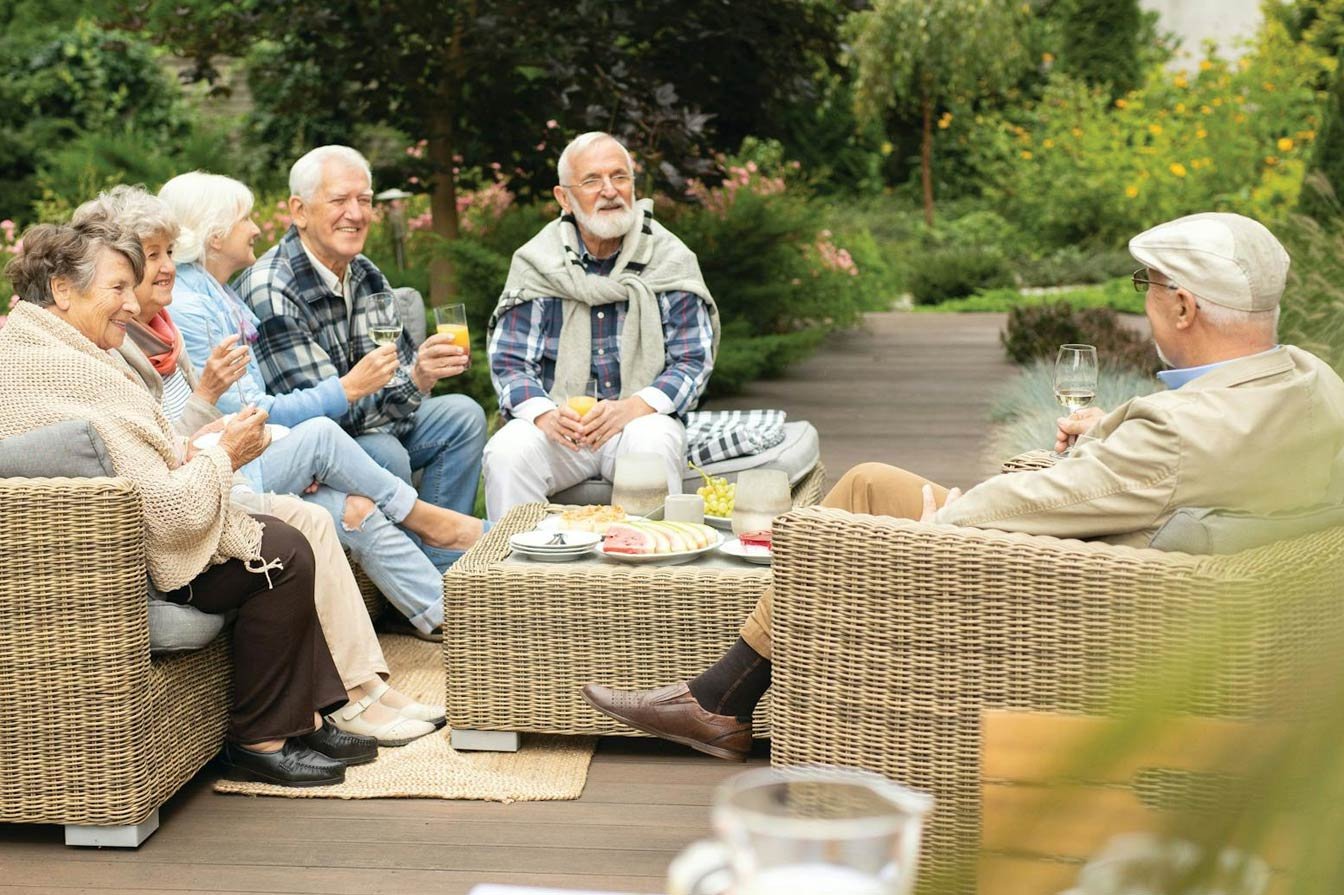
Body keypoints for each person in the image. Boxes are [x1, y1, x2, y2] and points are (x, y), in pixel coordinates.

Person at [582, 212, 1344, 760]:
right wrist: (1113, 429)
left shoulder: (1173, 435)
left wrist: (923, 531)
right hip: (1160, 570)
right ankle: (721, 697)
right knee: (871, 481)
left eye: (1147, 284)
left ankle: (720, 699)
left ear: (1183, 304)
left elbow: (1032, 505)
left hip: (1079, 594)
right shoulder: (1314, 385)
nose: (1143, 299)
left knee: (844, 520)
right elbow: (1201, 458)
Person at [0, 219, 377, 786]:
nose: (132, 304)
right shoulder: (56, 366)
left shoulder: (52, 350)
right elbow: (166, 515)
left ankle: (310, 712)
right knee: (281, 551)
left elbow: (134, 456)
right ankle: (259, 737)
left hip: (113, 542)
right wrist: (223, 455)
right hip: (121, 568)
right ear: (61, 290)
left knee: (282, 534)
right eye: (118, 288)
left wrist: (196, 449)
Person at [73, 186, 442, 744]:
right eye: (152, 258)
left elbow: (186, 430)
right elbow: (161, 450)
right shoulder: (120, 341)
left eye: (168, 253)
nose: (169, 267)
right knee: (326, 493)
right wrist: (218, 411)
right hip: (198, 500)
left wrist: (215, 414)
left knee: (336, 505)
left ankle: (365, 686)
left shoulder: (162, 330)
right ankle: (371, 672)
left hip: (220, 474)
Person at [153, 173, 474, 639]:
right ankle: (426, 521)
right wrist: (346, 389)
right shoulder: (193, 303)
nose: (257, 230)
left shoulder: (216, 293)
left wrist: (414, 377)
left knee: (354, 510)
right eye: (245, 219)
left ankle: (447, 615)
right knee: (329, 436)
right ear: (215, 234)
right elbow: (244, 412)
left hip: (263, 448)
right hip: (234, 467)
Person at [237, 146, 487, 572]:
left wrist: (420, 376)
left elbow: (397, 374)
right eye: (339, 201)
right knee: (384, 449)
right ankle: (418, 581)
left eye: (365, 200)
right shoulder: (271, 288)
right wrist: (413, 382)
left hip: (372, 420)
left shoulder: (366, 273)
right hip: (311, 445)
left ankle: (446, 571)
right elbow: (328, 416)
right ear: (299, 211)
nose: (356, 213)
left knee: (463, 415)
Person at [482, 131, 720, 521]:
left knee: (654, 441)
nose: (609, 190)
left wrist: (634, 407)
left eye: (619, 177)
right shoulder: (537, 262)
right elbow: (509, 363)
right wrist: (544, 414)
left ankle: (646, 574)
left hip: (636, 421)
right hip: (560, 425)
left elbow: (693, 360)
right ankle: (522, 575)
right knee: (507, 451)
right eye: (592, 180)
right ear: (564, 198)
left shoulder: (669, 257)